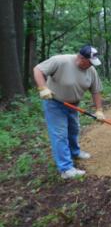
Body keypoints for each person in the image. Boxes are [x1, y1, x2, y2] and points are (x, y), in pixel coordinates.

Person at [33, 45, 105, 179]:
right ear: (81, 58)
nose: (91, 65)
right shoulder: (60, 61)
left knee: (74, 130)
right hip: (55, 104)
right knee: (60, 134)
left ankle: (75, 152)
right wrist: (43, 88)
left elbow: (95, 91)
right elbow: (37, 69)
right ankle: (66, 169)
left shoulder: (91, 70)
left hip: (73, 106)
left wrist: (99, 110)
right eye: (89, 62)